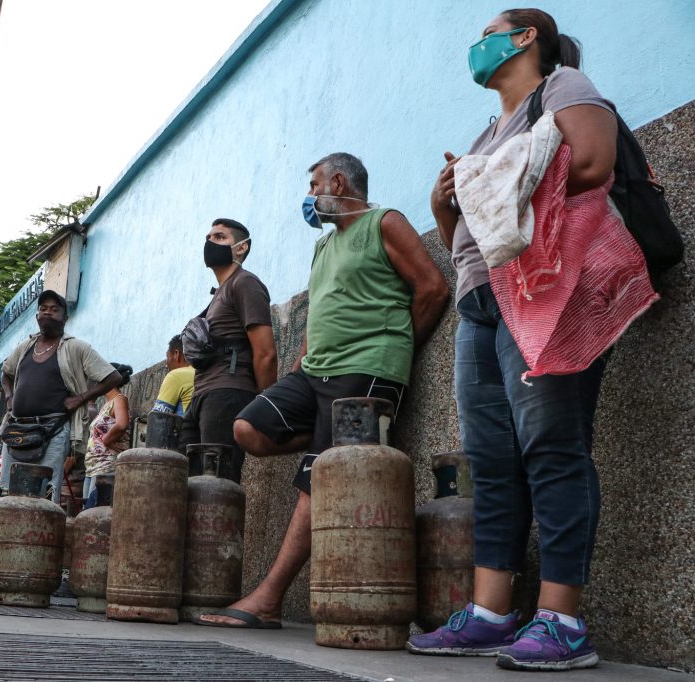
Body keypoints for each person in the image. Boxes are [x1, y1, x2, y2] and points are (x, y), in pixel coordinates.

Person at [406, 9, 656, 672]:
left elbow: (593, 162)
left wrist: (492, 182)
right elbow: (470, 236)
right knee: (490, 459)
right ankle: (491, 614)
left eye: (489, 32)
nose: (477, 46)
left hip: (543, 290)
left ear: (524, 39)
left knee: (552, 446)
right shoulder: (488, 133)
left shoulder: (563, 86)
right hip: (480, 300)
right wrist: (445, 204)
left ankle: (562, 621)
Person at [198, 152, 448, 629]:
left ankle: (268, 598)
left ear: (338, 182)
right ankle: (328, 447)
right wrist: (301, 359)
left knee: (318, 479)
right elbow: (319, 308)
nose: (310, 196)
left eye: (314, 186)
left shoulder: (384, 222)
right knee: (248, 428)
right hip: (314, 372)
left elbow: (433, 288)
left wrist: (394, 348)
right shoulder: (324, 245)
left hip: (365, 371)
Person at [0, 289, 122, 504]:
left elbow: (113, 377)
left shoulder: (76, 347)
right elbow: (5, 373)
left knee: (45, 494)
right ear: (37, 316)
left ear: (65, 318)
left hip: (53, 430)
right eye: (43, 309)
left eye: (54, 309)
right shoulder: (25, 346)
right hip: (17, 430)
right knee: (9, 494)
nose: (47, 313)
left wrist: (80, 398)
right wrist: (9, 397)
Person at [180, 219, 278, 484]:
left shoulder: (245, 283)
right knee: (185, 481)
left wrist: (263, 404)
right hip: (202, 395)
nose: (210, 242)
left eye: (220, 237)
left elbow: (266, 353)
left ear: (241, 248)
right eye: (208, 237)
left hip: (227, 393)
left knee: (217, 484)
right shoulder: (219, 294)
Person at [82, 363, 133, 509]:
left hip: (105, 465)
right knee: (87, 512)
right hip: (93, 467)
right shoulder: (107, 404)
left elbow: (122, 424)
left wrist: (107, 439)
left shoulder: (119, 399)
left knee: (95, 511)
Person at [151, 335, 195, 417]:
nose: (167, 365)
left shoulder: (176, 375)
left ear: (176, 354)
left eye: (167, 357)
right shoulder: (204, 374)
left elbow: (158, 419)